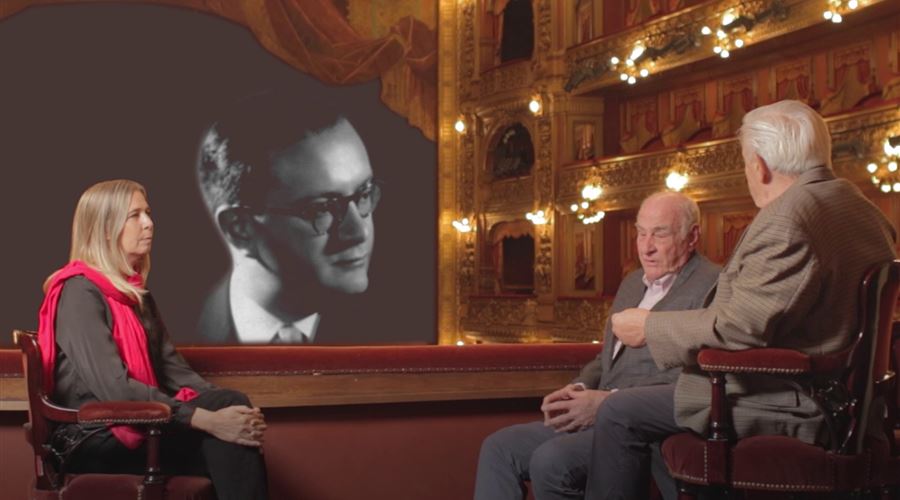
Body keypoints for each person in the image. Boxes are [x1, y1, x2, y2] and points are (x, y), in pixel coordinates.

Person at [586, 100, 897, 499]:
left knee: (618, 411)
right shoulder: (861, 207)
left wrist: (648, 326)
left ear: (760, 166)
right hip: (849, 401)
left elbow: (740, 327)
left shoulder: (788, 218)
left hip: (795, 401)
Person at [473, 192, 721, 500]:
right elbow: (608, 358)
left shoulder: (713, 285)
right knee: (499, 447)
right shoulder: (632, 282)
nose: (646, 247)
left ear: (692, 237)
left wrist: (606, 402)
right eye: (641, 233)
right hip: (596, 413)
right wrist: (578, 388)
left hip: (644, 430)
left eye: (660, 234)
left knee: (551, 461)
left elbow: (693, 377)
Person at [38, 179, 269, 500]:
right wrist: (205, 419)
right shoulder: (79, 292)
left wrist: (236, 415)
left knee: (230, 405)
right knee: (224, 436)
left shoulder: (136, 295)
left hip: (143, 426)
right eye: (135, 215)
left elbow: (175, 371)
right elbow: (115, 388)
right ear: (106, 229)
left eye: (147, 213)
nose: (149, 223)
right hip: (93, 437)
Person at [195, 89, 380, 344]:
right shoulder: (163, 335)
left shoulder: (408, 324)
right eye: (321, 209)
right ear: (239, 228)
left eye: (364, 194)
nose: (359, 232)